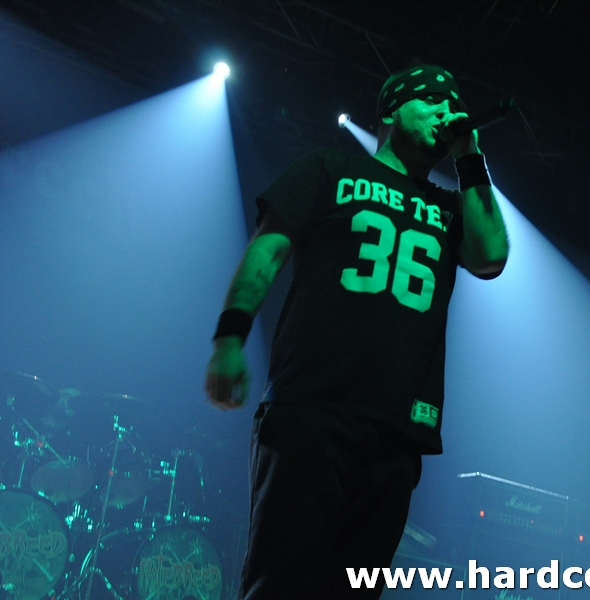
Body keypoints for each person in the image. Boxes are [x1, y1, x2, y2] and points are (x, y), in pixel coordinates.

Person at [205, 64, 509, 599]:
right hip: (312, 407)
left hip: (398, 429)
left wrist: (470, 158)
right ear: (391, 110)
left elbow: (491, 257)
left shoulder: (450, 208)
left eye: (454, 105)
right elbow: (268, 250)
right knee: (281, 581)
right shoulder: (331, 168)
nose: (447, 112)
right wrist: (230, 337)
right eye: (432, 101)